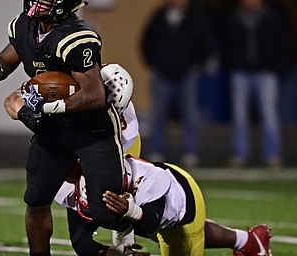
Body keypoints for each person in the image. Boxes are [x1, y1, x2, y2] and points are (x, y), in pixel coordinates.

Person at [0, 2, 127, 256]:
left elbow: (94, 96)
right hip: (54, 130)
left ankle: (152, 217)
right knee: (35, 198)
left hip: (91, 130)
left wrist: (49, 108)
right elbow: (11, 54)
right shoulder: (24, 25)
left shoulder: (76, 37)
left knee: (105, 211)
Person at [56, 153, 272, 256]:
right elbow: (80, 241)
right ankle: (248, 241)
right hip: (140, 211)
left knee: (173, 235)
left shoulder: (148, 182)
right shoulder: (78, 188)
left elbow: (152, 224)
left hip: (183, 203)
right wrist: (117, 254)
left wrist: (130, 211)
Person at [141, 0, 214, 168]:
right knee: (159, 115)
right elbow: (147, 41)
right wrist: (154, 63)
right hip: (162, 75)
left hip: (187, 75)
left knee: (190, 116)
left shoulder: (195, 17)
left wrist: (197, 65)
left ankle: (191, 151)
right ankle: (156, 150)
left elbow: (206, 43)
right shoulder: (159, 16)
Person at [221, 0, 291, 168]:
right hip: (240, 72)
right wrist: (232, 64)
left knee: (269, 116)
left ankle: (272, 155)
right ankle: (239, 153)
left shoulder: (272, 17)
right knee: (240, 117)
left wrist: (276, 67)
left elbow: (283, 43)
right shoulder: (234, 17)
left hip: (266, 73)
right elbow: (226, 43)